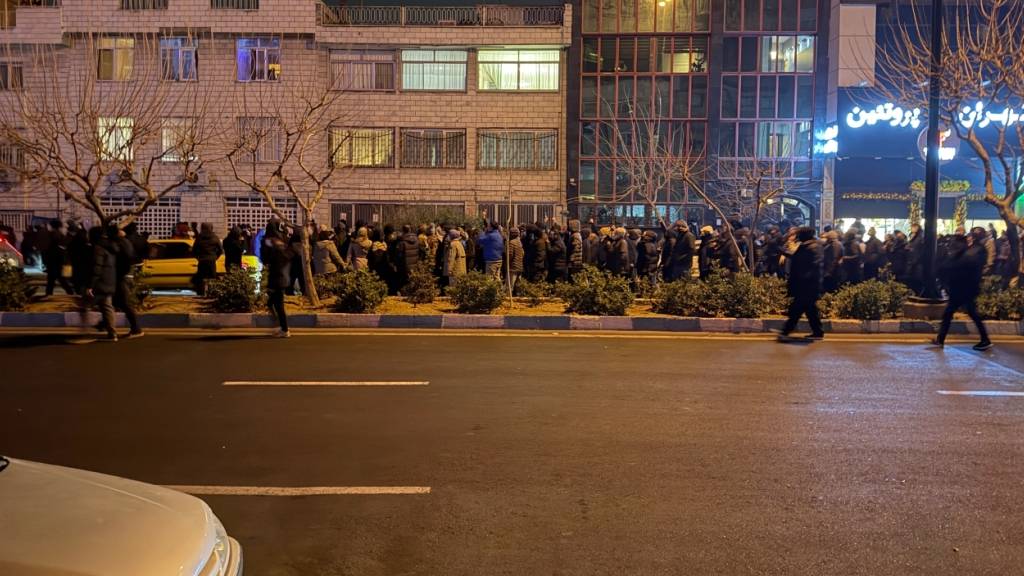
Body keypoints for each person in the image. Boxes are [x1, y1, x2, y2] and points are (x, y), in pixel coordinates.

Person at [931, 231, 991, 351]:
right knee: (967, 313)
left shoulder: (972, 253)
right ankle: (940, 339)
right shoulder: (971, 252)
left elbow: (958, 269)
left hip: (963, 289)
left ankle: (941, 340)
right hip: (963, 289)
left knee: (952, 313)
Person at [777, 227, 825, 341]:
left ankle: (786, 331)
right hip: (807, 284)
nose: (798, 237)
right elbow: (797, 257)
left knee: (796, 309)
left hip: (806, 285)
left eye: (799, 235)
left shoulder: (812, 247)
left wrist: (803, 279)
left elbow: (809, 264)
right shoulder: (811, 245)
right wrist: (785, 252)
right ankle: (818, 332)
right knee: (810, 310)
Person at [107, 224, 143, 339]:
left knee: (124, 302)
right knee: (116, 302)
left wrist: (120, 274)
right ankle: (105, 323)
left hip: (121, 276)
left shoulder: (119, 243)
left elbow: (124, 259)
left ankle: (136, 329)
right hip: (124, 275)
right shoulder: (124, 241)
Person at [82, 226, 118, 342]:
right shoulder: (110, 247)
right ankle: (113, 334)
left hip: (100, 283)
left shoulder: (98, 248)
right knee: (107, 307)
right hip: (109, 281)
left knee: (85, 304)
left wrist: (90, 286)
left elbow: (97, 268)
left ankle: (84, 330)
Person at [262, 220, 294, 338]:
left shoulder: (274, 245)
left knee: (278, 304)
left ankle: (284, 329)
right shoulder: (282, 242)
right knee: (272, 303)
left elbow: (270, 261)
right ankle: (281, 326)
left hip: (278, 278)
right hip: (281, 277)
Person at [43, 219, 74, 296]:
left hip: (54, 259)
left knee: (53, 279)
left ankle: (49, 293)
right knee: (58, 279)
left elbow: (50, 248)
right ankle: (69, 292)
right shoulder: (59, 234)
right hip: (58, 260)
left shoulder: (53, 234)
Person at [191, 223, 222, 296]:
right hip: (211, 261)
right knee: (212, 278)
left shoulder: (199, 238)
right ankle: (211, 293)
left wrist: (198, 258)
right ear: (211, 228)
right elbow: (220, 250)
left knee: (201, 278)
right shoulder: (215, 237)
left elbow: (194, 250)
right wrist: (215, 257)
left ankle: (201, 294)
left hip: (202, 260)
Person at [507, 227, 525, 291]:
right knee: (518, 285)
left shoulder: (512, 242)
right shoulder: (519, 242)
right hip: (520, 266)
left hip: (513, 267)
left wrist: (507, 263)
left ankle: (508, 298)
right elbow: (523, 253)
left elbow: (510, 255)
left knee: (510, 286)